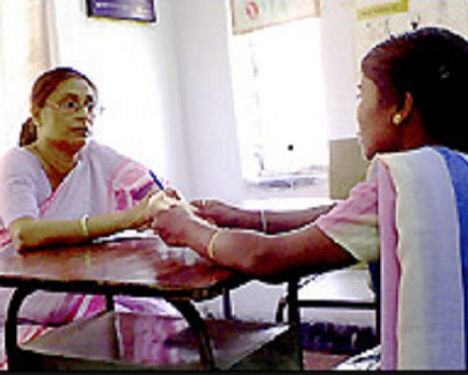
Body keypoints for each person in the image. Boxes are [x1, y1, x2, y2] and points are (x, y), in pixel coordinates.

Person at [149, 27, 468, 370]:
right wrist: (244, 218)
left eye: (362, 95)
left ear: (402, 106)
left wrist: (186, 228)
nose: (357, 112)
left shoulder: (404, 178)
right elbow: (345, 215)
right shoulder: (453, 171)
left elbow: (266, 258)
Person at [0, 67, 178, 368]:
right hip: (15, 286)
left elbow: (152, 191)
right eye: (70, 104)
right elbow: (24, 234)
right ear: (37, 114)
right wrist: (127, 219)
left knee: (161, 318)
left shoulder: (96, 158)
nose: (84, 114)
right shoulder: (18, 163)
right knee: (120, 326)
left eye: (90, 105)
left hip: (70, 277)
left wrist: (177, 210)